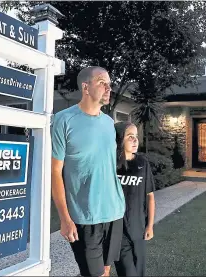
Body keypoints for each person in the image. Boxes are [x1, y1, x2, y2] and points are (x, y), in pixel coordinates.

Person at [51, 66, 126, 277]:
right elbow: (55, 172)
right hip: (85, 215)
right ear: (86, 87)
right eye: (102, 82)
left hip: (114, 211)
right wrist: (64, 218)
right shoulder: (63, 120)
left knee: (106, 270)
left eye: (110, 84)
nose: (108, 88)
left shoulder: (109, 123)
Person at [110, 121, 156, 277]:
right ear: (119, 139)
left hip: (139, 227)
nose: (135, 140)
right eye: (130, 137)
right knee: (128, 272)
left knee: (139, 272)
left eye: (136, 136)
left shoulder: (142, 163)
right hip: (117, 229)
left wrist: (150, 226)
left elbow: (150, 196)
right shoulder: (111, 164)